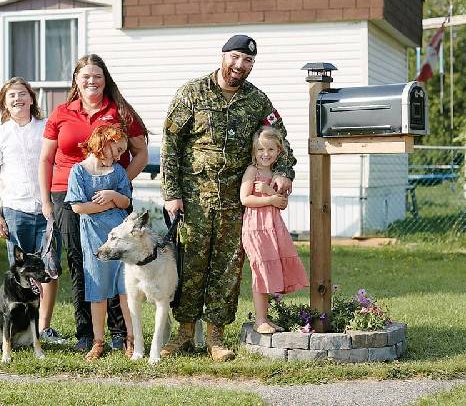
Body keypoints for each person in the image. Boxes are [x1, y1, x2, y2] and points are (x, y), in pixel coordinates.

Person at [160, 34, 296, 361]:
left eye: (247, 60)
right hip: (194, 199)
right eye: (235, 57)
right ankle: (184, 333)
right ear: (223, 56)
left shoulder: (257, 101)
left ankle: (215, 337)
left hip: (237, 201)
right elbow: (170, 145)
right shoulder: (191, 93)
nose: (240, 65)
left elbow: (281, 140)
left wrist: (283, 172)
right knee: (190, 265)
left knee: (227, 268)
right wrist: (171, 193)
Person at [39, 54, 149, 353]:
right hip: (68, 194)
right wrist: (46, 200)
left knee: (117, 262)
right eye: (85, 76)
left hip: (113, 200)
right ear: (76, 80)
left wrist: (118, 183)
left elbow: (140, 153)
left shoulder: (120, 112)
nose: (91, 81)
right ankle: (87, 334)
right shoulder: (61, 113)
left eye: (97, 76)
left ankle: (120, 333)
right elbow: (46, 158)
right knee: (81, 263)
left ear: (105, 79)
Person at [0, 77, 64, 344]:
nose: (17, 99)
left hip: (47, 209)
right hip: (15, 211)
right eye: (11, 96)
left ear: (31, 98)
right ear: (4, 103)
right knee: (21, 272)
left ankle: (43, 327)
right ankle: (20, 332)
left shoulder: (46, 127)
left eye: (22, 94)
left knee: (49, 268)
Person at [65, 125, 134, 360]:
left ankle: (131, 338)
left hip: (120, 238)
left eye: (122, 151)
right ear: (103, 143)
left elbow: (126, 202)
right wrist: (108, 204)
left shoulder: (118, 172)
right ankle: (98, 341)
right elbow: (78, 207)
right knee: (98, 290)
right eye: (117, 149)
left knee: (125, 289)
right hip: (94, 237)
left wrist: (113, 196)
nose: (119, 156)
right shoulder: (78, 172)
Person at [240, 126, 308, 335]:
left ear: (278, 151)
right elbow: (245, 199)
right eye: (260, 150)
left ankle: (265, 318)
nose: (265, 154)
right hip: (255, 227)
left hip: (273, 227)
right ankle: (260, 320)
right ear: (254, 152)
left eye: (270, 149)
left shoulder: (277, 176)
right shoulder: (252, 171)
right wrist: (269, 198)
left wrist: (269, 192)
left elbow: (282, 203)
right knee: (260, 271)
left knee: (269, 271)